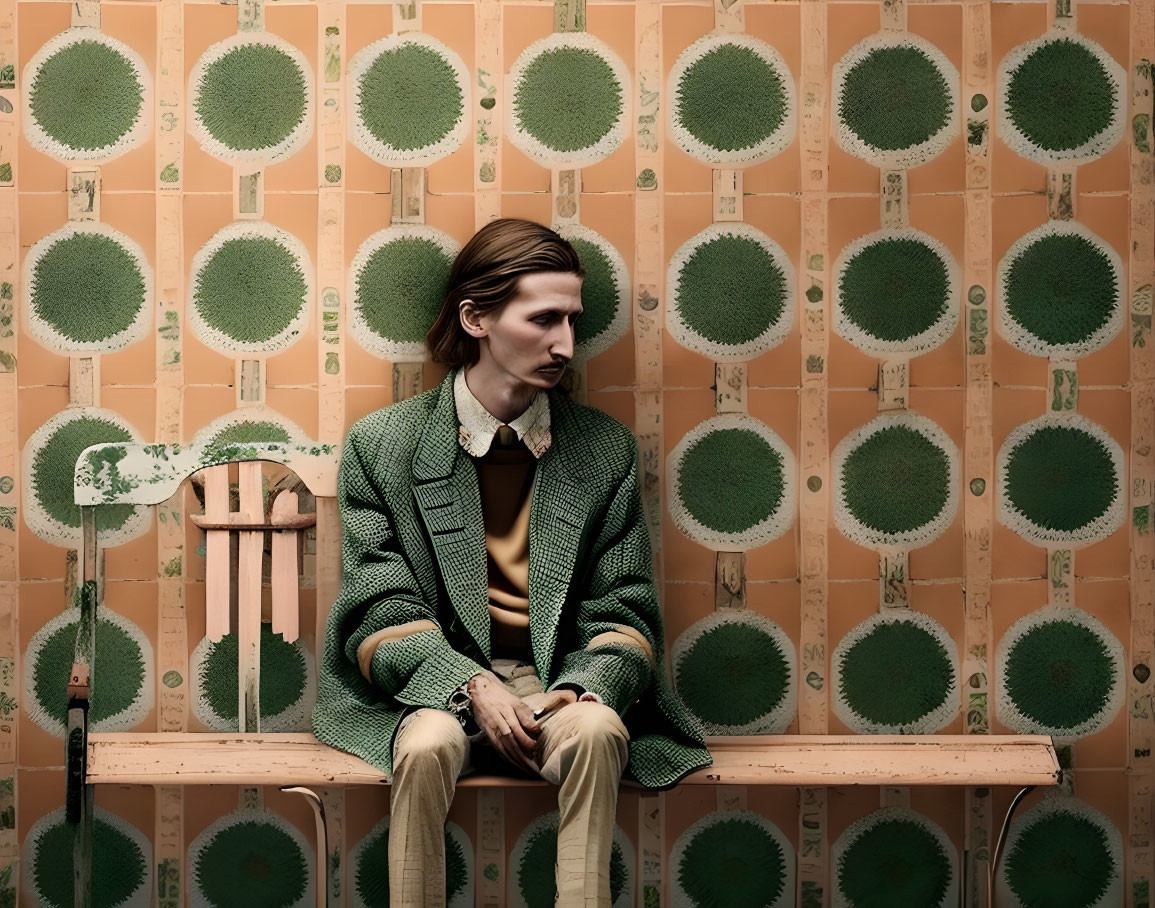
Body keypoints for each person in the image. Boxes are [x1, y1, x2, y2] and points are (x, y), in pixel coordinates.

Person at [312, 218, 711, 906]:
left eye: (572, 321)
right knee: (428, 744)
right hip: (432, 689)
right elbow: (378, 604)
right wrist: (468, 684)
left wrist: (584, 687)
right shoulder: (382, 445)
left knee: (598, 730)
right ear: (476, 318)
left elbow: (624, 605)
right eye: (543, 318)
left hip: (553, 684)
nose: (564, 345)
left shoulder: (602, 450)